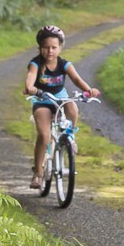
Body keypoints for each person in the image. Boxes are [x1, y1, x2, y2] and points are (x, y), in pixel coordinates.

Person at [24, 25, 100, 189]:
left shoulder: (65, 64)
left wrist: (88, 91)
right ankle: (37, 173)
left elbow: (77, 80)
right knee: (44, 136)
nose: (50, 51)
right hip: (42, 100)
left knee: (72, 105)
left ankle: (70, 135)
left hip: (60, 98)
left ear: (60, 48)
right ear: (40, 48)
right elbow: (30, 78)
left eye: (54, 47)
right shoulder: (35, 64)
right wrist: (31, 87)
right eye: (46, 47)